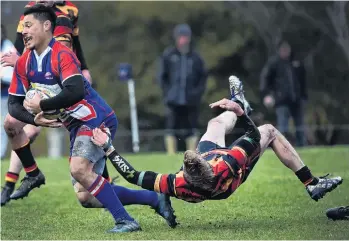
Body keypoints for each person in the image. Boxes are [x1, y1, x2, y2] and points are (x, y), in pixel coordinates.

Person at [4, 5, 176, 232]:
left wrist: (42, 105)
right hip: (75, 126)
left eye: (28, 26)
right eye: (22, 26)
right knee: (86, 197)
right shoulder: (24, 62)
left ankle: (126, 221)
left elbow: (76, 92)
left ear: (47, 26)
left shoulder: (62, 54)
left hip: (96, 118)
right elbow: (13, 105)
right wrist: (36, 119)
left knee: (78, 168)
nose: (23, 31)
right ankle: (155, 199)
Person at [92, 75, 342, 205]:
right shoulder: (228, 163)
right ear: (207, 162)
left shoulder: (178, 183)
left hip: (206, 182)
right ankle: (311, 182)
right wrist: (240, 114)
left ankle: (239, 101)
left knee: (214, 124)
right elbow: (254, 135)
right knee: (268, 131)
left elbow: (132, 176)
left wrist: (108, 147)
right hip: (229, 180)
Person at [0, 0, 114, 206]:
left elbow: (72, 46)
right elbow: (22, 45)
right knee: (12, 124)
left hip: (63, 80)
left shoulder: (68, 12)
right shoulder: (31, 11)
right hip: (42, 80)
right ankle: (22, 178)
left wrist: (84, 68)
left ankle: (103, 182)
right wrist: (19, 62)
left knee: (83, 126)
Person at [157, 23, 207, 154]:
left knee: (191, 128)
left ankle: (192, 155)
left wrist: (197, 94)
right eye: (181, 37)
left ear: (189, 38)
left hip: (191, 101)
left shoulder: (196, 58)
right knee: (171, 128)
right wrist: (168, 93)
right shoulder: (169, 55)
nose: (183, 40)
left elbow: (203, 78)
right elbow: (162, 77)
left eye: (185, 37)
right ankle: (171, 154)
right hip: (173, 101)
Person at [260, 40, 307, 147]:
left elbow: (303, 81)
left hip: (297, 99)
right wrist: (266, 95)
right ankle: (283, 147)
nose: (285, 51)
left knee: (300, 126)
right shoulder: (274, 63)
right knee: (283, 126)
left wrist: (304, 97)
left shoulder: (297, 62)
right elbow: (265, 79)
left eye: (287, 49)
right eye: (283, 49)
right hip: (281, 100)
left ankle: (302, 146)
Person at [0, 25, 16, 159]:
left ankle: (0, 153)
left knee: (2, 124)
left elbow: (10, 74)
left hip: (4, 93)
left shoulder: (8, 47)